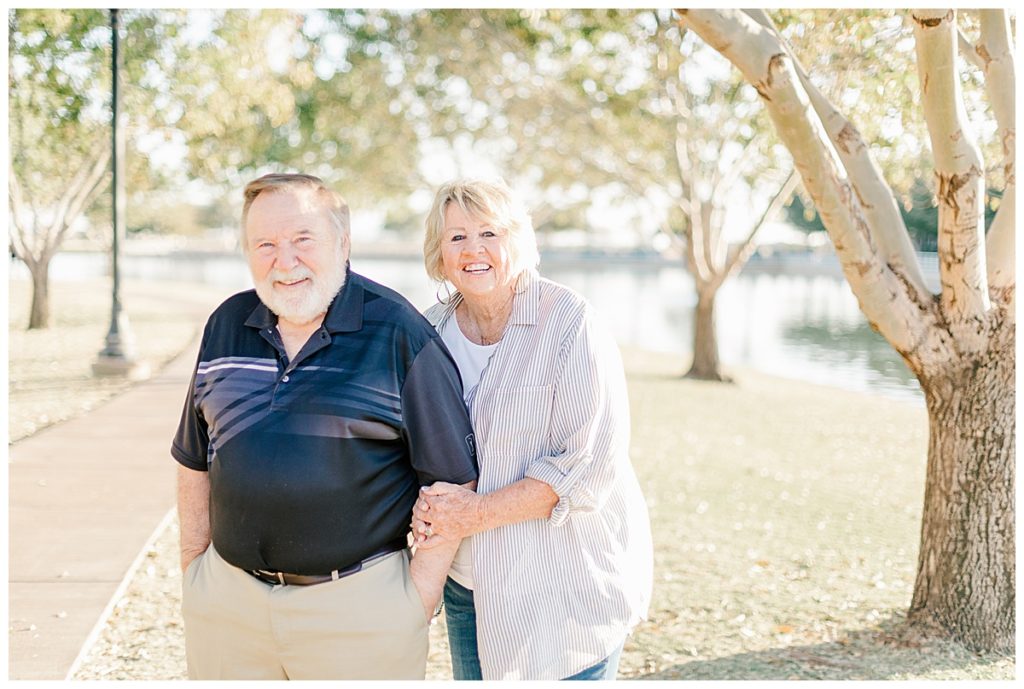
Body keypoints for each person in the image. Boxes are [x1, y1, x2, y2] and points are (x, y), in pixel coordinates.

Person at [171, 173, 478, 680]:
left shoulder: (398, 332)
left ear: (343, 242)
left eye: (302, 240)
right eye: (264, 244)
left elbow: (450, 482)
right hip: (227, 608)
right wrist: (193, 568)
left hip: (359, 616)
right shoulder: (227, 324)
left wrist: (414, 603)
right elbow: (192, 457)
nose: (284, 261)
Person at [412, 178, 653, 680]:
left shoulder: (570, 322)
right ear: (439, 251)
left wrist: (473, 513)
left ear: (517, 240)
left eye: (489, 233)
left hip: (563, 584)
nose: (473, 250)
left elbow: (585, 467)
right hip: (469, 586)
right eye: (456, 237)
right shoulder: (427, 331)